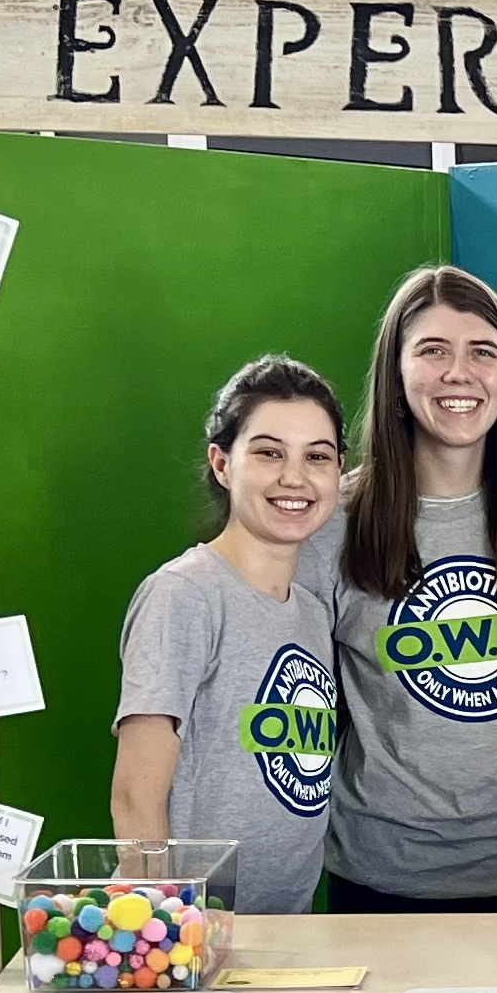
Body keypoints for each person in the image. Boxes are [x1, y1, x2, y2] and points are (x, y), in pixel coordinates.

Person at [299, 265, 497, 913]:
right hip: (382, 875)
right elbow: (311, 698)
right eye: (432, 351)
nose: (459, 373)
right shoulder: (333, 520)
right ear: (397, 374)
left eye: (482, 352)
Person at [113, 357, 344, 915]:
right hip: (196, 942)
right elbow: (134, 797)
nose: (295, 477)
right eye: (268, 453)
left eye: (317, 456)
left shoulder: (313, 615)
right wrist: (167, 936)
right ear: (222, 463)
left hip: (289, 932)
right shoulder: (185, 595)